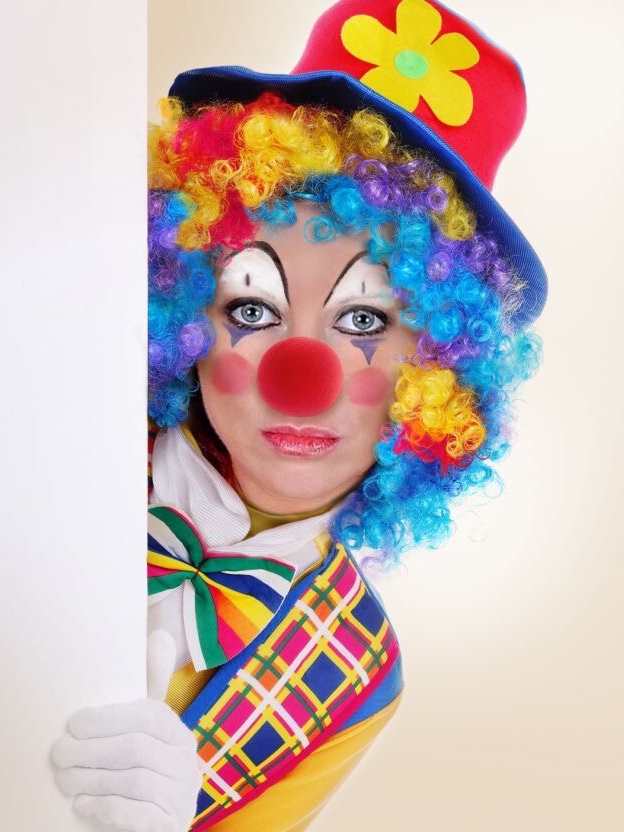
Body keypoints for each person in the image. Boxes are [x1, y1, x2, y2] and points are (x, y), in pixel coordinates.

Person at [52, 1, 546, 830]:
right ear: (185, 307)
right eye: (253, 307)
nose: (300, 377)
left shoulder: (355, 676)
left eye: (365, 319)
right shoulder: (56, 440)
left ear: (437, 373)